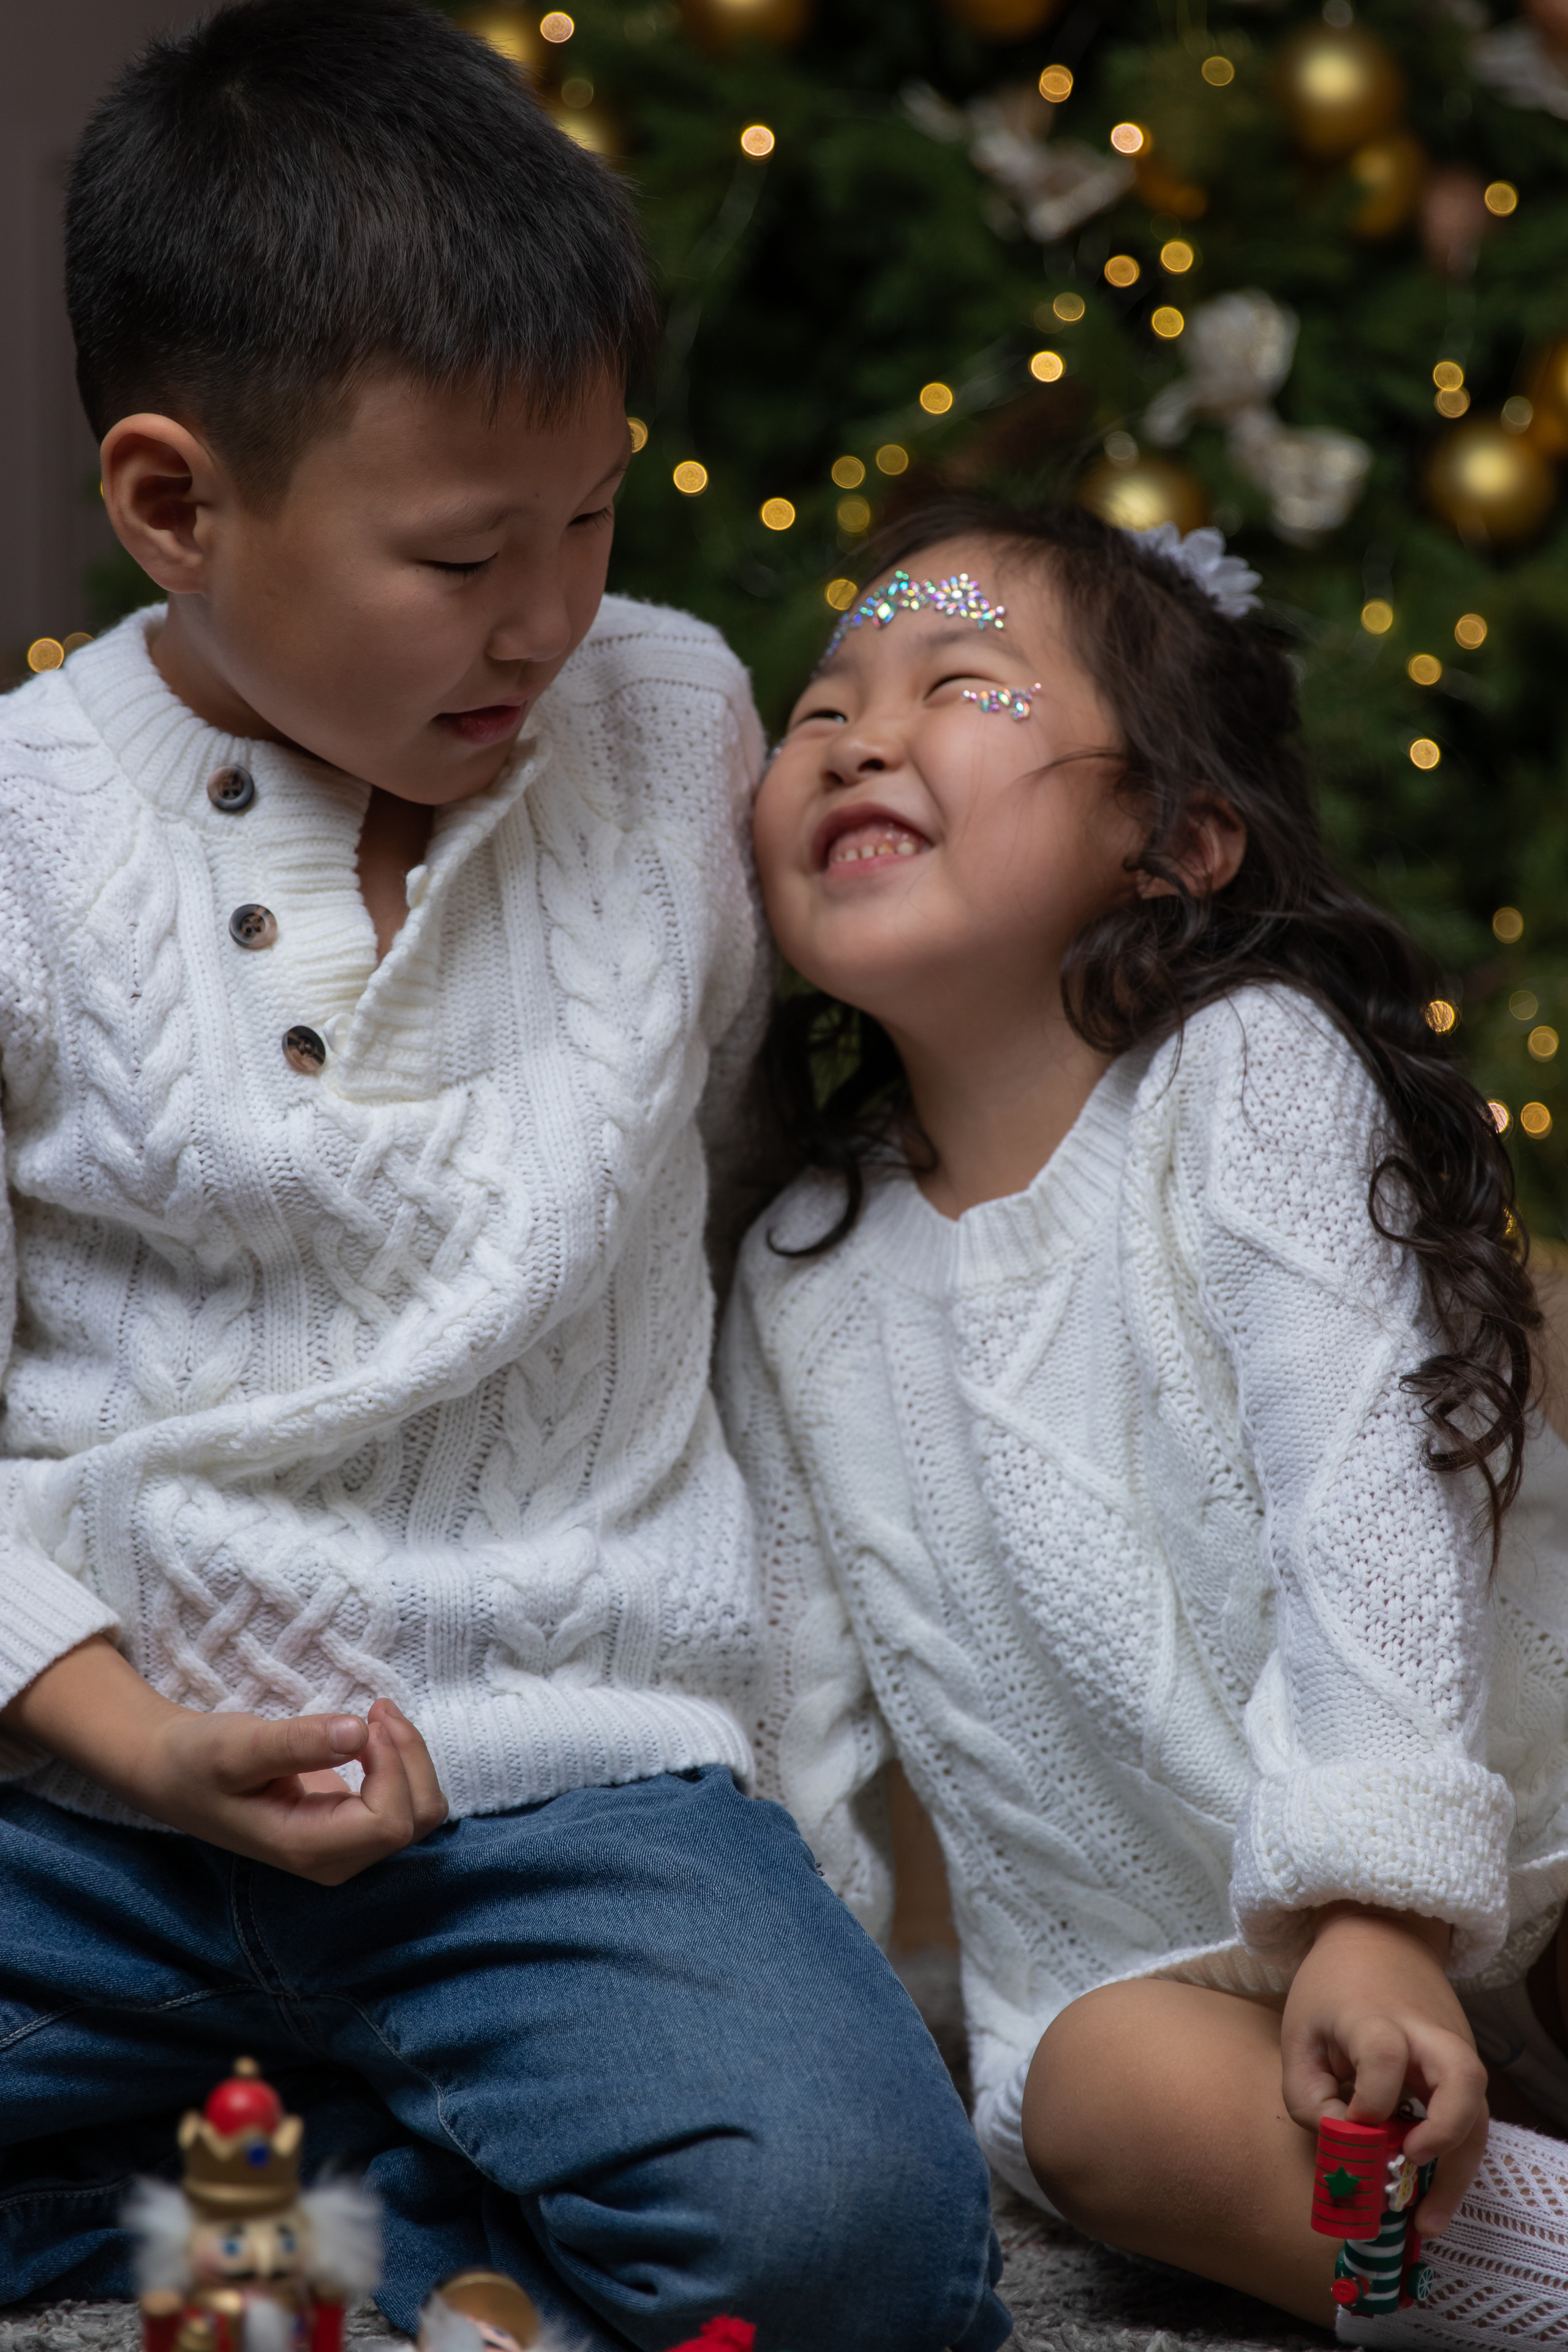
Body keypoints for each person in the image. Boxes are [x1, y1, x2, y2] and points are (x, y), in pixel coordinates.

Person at [0, 12, 1010, 2351]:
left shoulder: (674, 725)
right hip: (93, 1789)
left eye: (592, 515)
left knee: (848, 2243)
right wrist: (130, 1730)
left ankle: (364, 2179)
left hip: (569, 1781)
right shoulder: (28, 833)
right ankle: (362, 2190)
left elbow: (745, 1172)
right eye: (463, 557)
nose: (551, 613)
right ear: (175, 505)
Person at [718, 493, 1568, 2350]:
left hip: (1477, 1831)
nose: (861, 729)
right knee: (1100, 2103)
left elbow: (1367, 1496)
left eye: (960, 680)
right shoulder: (798, 1264)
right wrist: (781, 2060)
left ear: (1173, 839)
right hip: (1129, 1984)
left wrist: (1375, 1912)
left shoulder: (1245, 1073)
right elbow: (788, 1732)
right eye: (821, 706)